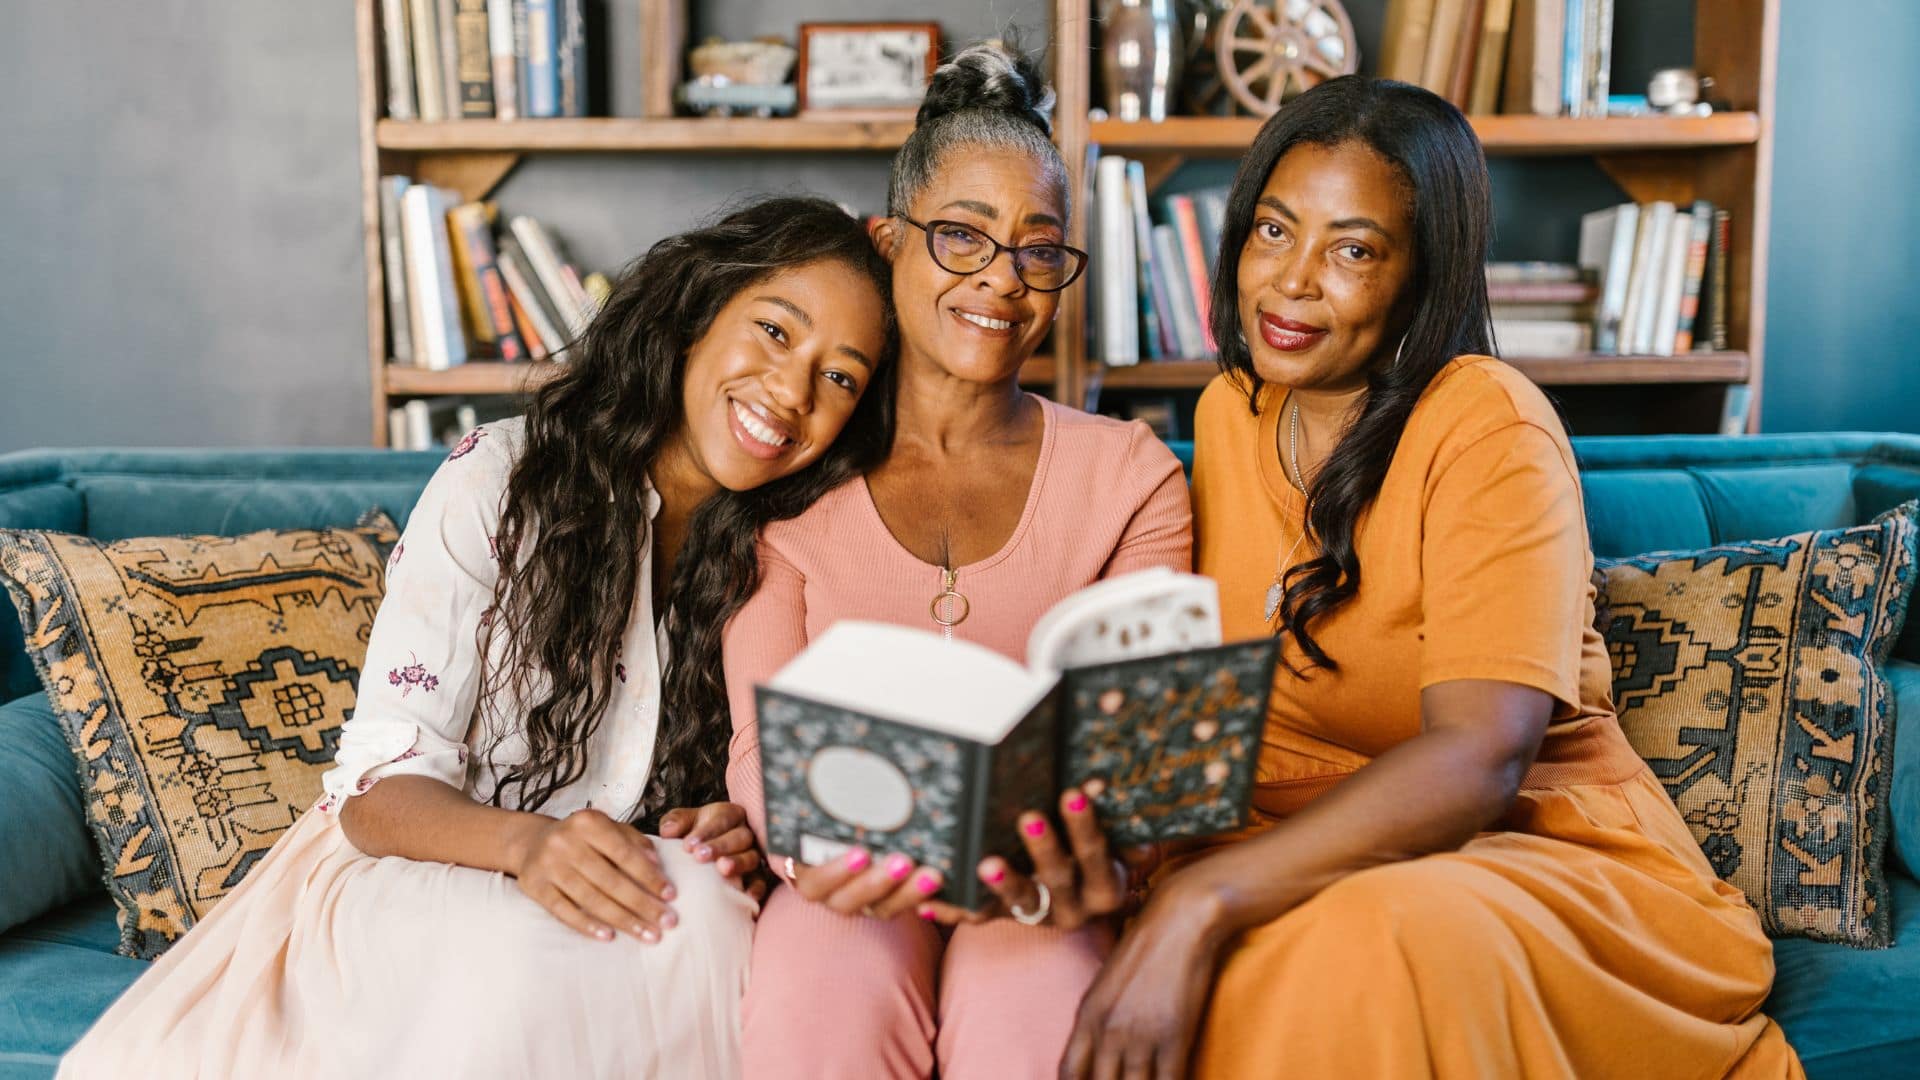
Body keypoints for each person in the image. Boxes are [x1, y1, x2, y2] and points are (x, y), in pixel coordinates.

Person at [1031, 76, 1803, 1079]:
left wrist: (1199, 902)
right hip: (1280, 843)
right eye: (1273, 231)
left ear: (1421, 275)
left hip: (1527, 855)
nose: (1294, 281)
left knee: (1370, 937)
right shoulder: (1230, 413)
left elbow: (1480, 762)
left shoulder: (1489, 423)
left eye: (1353, 250)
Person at [59, 196, 898, 1080]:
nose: (793, 390)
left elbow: (765, 773)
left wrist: (733, 828)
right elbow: (378, 793)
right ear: (695, 313)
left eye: (840, 377)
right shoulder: (501, 480)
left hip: (616, 881)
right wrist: (529, 846)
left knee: (714, 915)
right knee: (525, 955)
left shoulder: (794, 551)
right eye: (774, 331)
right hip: (416, 871)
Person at [722, 42, 1192, 1080]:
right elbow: (760, 743)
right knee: (823, 971)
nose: (1002, 280)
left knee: (1031, 982)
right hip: (844, 874)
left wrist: (1110, 861)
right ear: (889, 242)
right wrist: (812, 850)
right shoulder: (792, 466)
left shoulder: (1132, 478)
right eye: (962, 237)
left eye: (1038, 249)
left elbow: (1145, 762)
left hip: (1043, 884)